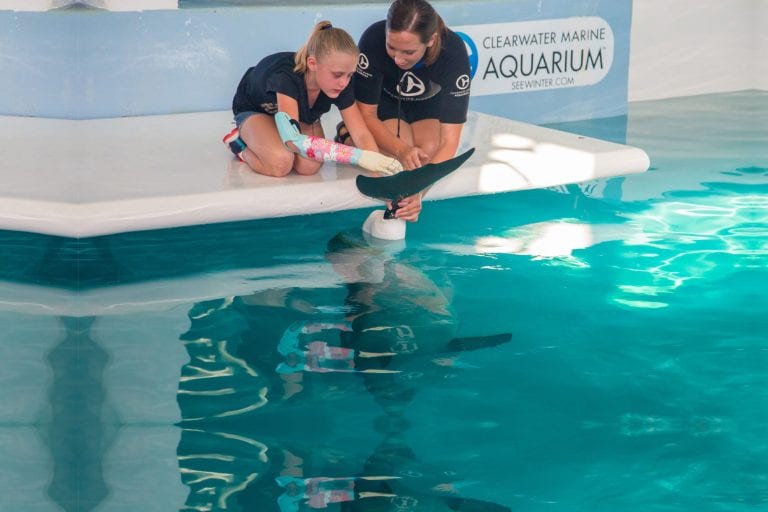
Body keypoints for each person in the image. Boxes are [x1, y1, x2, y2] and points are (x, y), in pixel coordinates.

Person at [223, 21, 404, 180]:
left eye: (350, 75)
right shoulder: (286, 78)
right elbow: (292, 140)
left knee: (309, 167)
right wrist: (359, 157)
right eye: (338, 75)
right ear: (312, 64)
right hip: (258, 110)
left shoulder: (341, 83)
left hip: (299, 113)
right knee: (281, 163)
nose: (344, 82)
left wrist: (379, 171)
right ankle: (239, 145)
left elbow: (361, 134)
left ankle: (268, 136)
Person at [352, 0, 471, 172]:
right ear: (385, 33)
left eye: (409, 52)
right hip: (385, 100)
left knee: (427, 154)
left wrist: (419, 188)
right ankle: (347, 135)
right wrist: (402, 150)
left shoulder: (452, 51)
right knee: (395, 159)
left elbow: (449, 142)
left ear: (431, 40)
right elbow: (366, 113)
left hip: (428, 102)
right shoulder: (373, 38)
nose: (398, 59)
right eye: (391, 47)